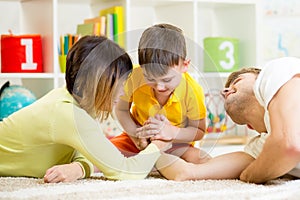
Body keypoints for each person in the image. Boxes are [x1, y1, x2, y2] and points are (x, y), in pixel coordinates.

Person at [0, 35, 171, 183]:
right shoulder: (70, 115)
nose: (124, 92)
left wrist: (78, 168)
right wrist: (159, 143)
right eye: (120, 84)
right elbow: (125, 171)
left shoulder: (74, 101)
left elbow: (84, 152)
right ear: (99, 83)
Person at [155, 57, 300, 184]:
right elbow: (186, 173)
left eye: (237, 81)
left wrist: (250, 175)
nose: (223, 92)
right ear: (250, 126)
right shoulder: (261, 147)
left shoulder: (277, 71)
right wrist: (153, 148)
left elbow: (289, 146)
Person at [110, 23, 210, 164]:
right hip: (139, 137)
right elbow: (121, 109)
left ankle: (155, 164)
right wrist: (136, 134)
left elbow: (198, 131)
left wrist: (171, 132)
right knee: (106, 154)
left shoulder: (193, 90)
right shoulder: (134, 76)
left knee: (202, 160)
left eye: (167, 79)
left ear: (185, 66)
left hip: (176, 142)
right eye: (150, 78)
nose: (159, 87)